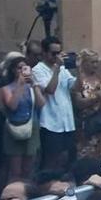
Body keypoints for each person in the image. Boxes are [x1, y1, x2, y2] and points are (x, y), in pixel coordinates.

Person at [32, 36, 78, 178]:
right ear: (44, 53)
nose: (57, 56)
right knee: (51, 161)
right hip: (50, 122)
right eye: (54, 53)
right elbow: (50, 90)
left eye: (59, 52)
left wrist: (80, 69)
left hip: (67, 122)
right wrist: (57, 69)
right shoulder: (37, 70)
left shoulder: (63, 68)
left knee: (68, 160)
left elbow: (75, 87)